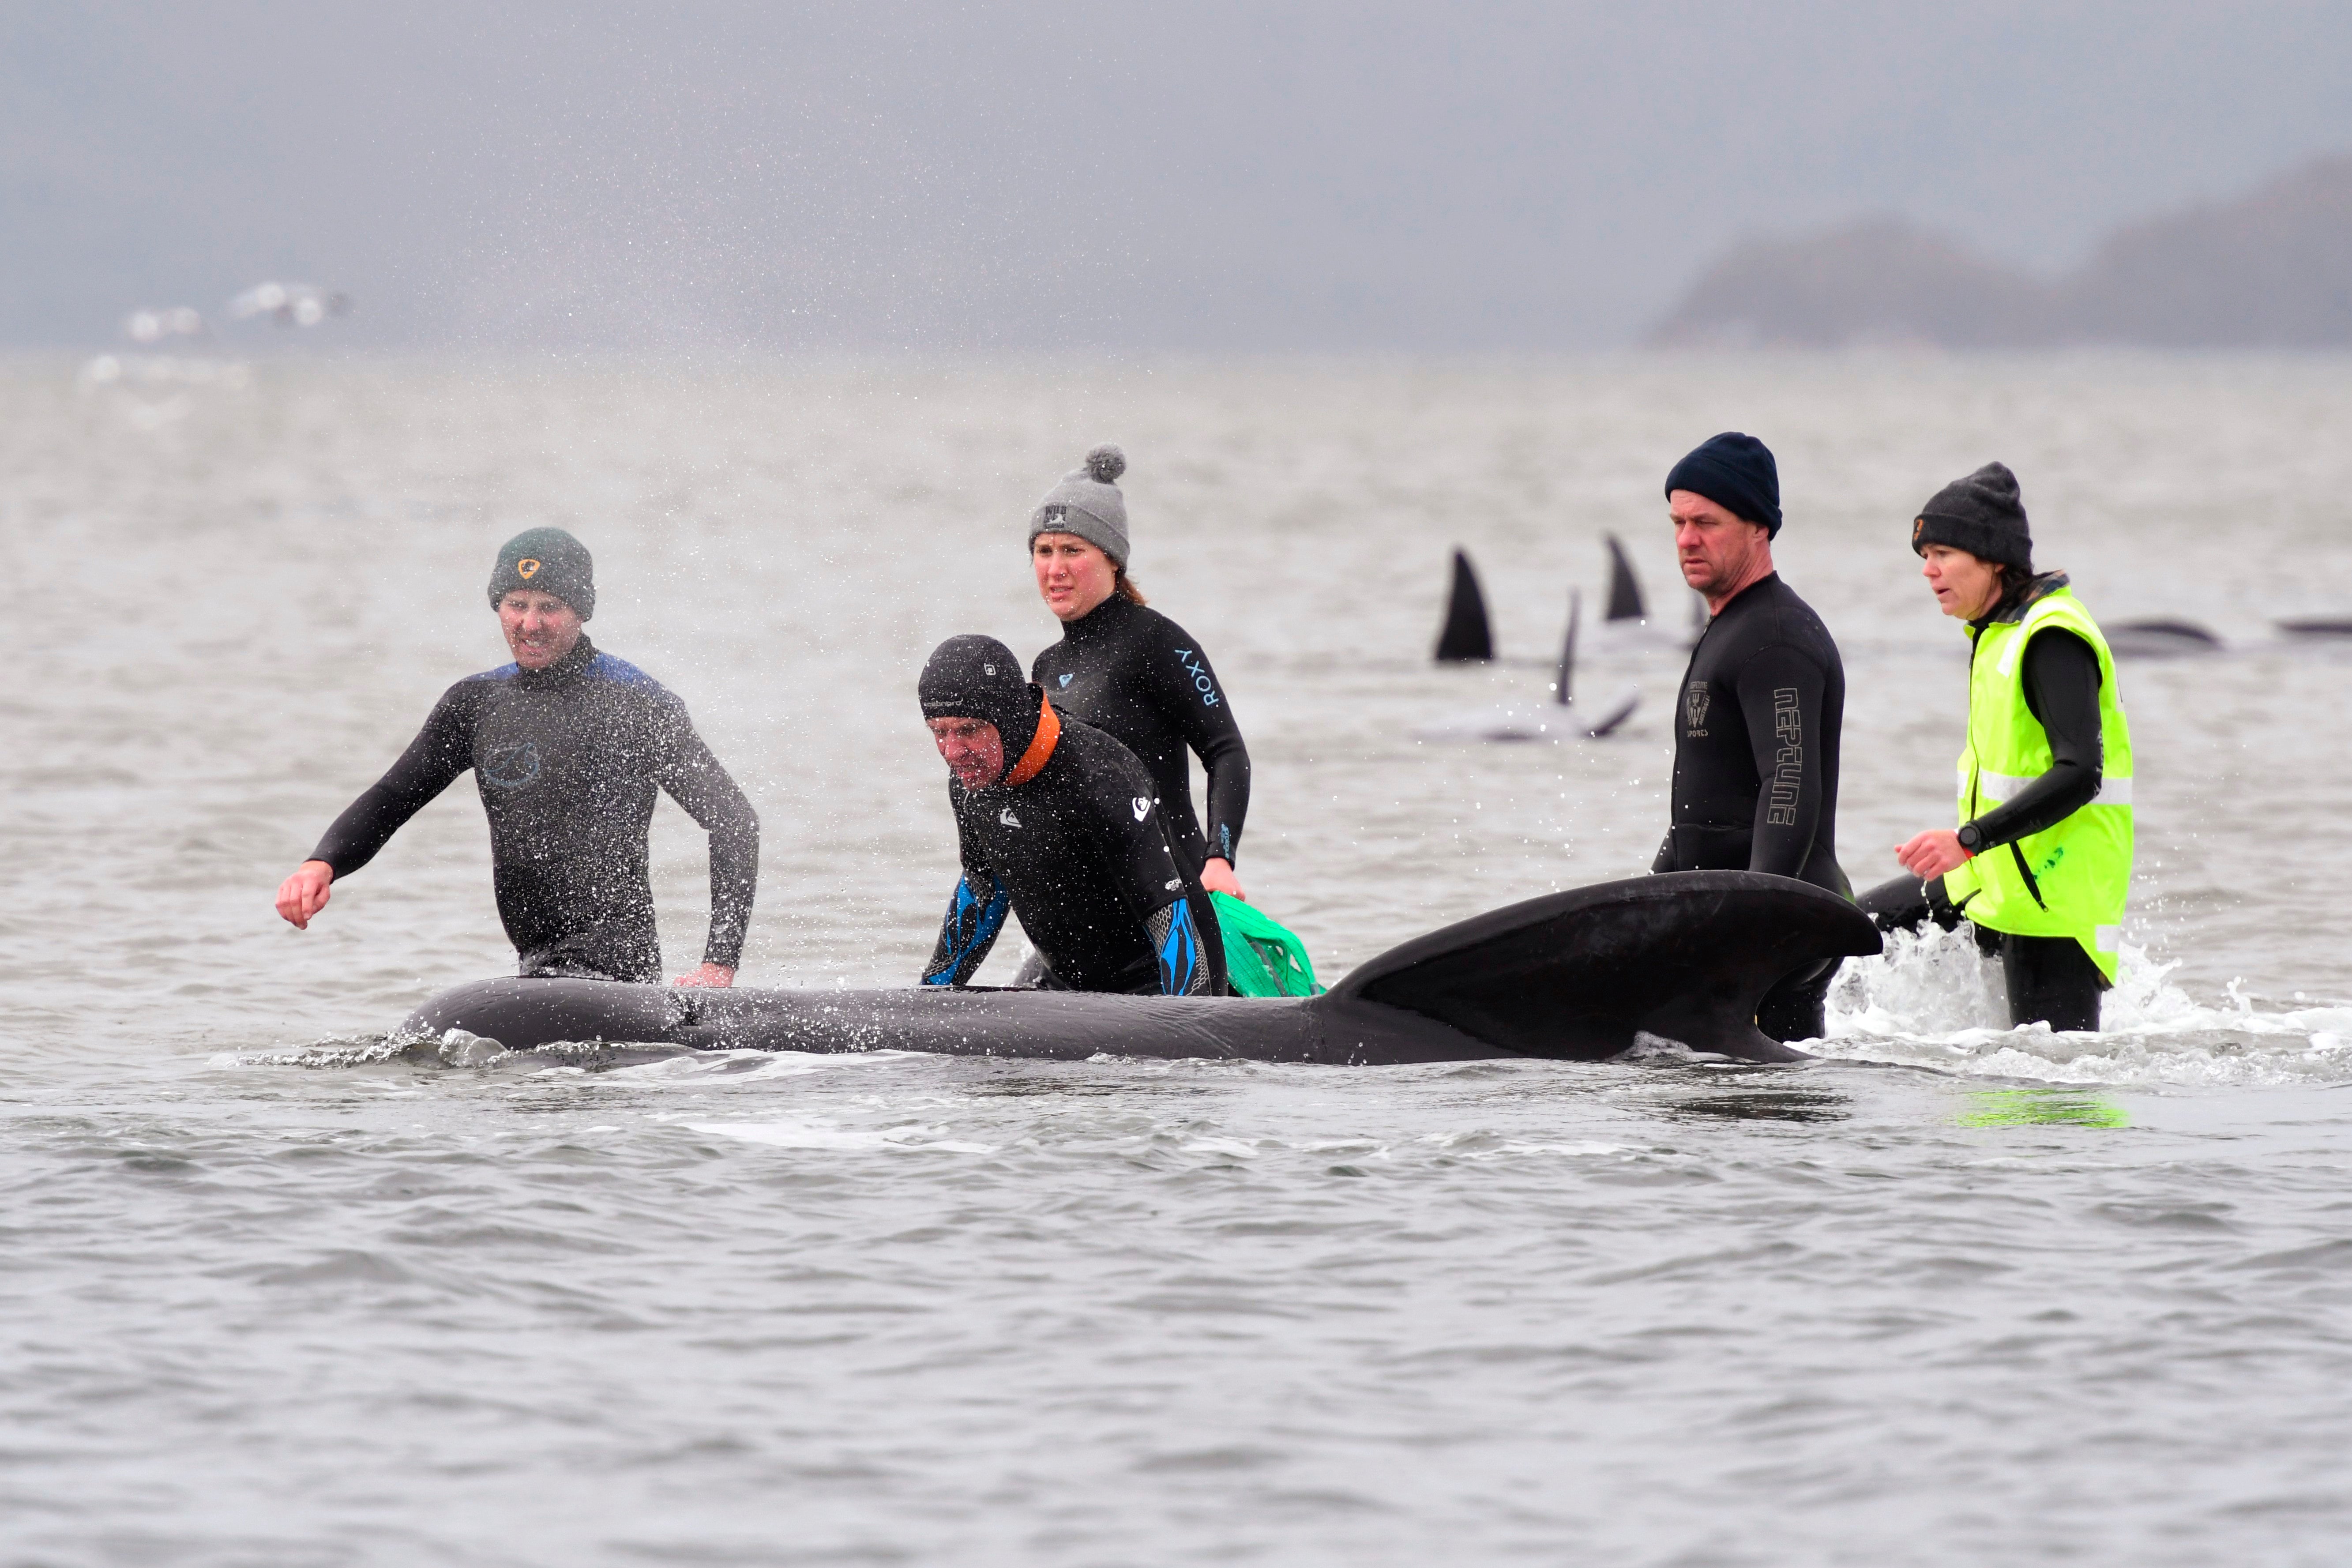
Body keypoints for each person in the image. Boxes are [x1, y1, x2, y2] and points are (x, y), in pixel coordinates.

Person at [274, 527, 759, 987]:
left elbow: (734, 821)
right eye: (516, 604)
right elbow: (394, 796)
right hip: (536, 969)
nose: (530, 624)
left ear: (581, 612)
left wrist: (718, 962)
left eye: (549, 607)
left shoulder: (636, 702)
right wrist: (322, 864)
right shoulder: (477, 704)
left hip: (617, 974)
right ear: (498, 606)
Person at [1860, 463, 2134, 1032]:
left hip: (2052, 903)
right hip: (1990, 879)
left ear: (1993, 558)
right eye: (1923, 557)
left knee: (2045, 1095)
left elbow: (2081, 772)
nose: (1928, 571)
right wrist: (1971, 849)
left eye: (1942, 554)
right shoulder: (1997, 632)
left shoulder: (2051, 635)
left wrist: (1968, 839)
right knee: (1848, 934)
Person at [1651, 432, 1851, 1042]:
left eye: (1706, 522)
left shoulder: (1775, 640)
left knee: (1766, 1118)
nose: (1686, 539)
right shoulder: (1730, 628)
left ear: (1757, 527)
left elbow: (1787, 782)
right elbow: (1708, 797)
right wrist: (1654, 897)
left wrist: (1757, 922)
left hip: (1778, 925)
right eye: (1678, 522)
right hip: (1741, 919)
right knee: (1747, 1110)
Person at [917, 634, 1225, 996]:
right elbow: (985, 890)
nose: (952, 752)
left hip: (1157, 986)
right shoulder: (972, 783)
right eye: (939, 732)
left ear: (1008, 717)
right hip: (1063, 987)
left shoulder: (1100, 775)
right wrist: (927, 999)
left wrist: (1189, 1023)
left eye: (968, 730)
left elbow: (1170, 920)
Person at [1025, 445, 1251, 900]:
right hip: (1099, 909)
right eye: (1043, 550)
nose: (1055, 568)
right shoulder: (1046, 667)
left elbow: (1226, 751)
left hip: (1176, 895)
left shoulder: (1155, 641)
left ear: (1112, 559)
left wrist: (1219, 859)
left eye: (1073, 549)